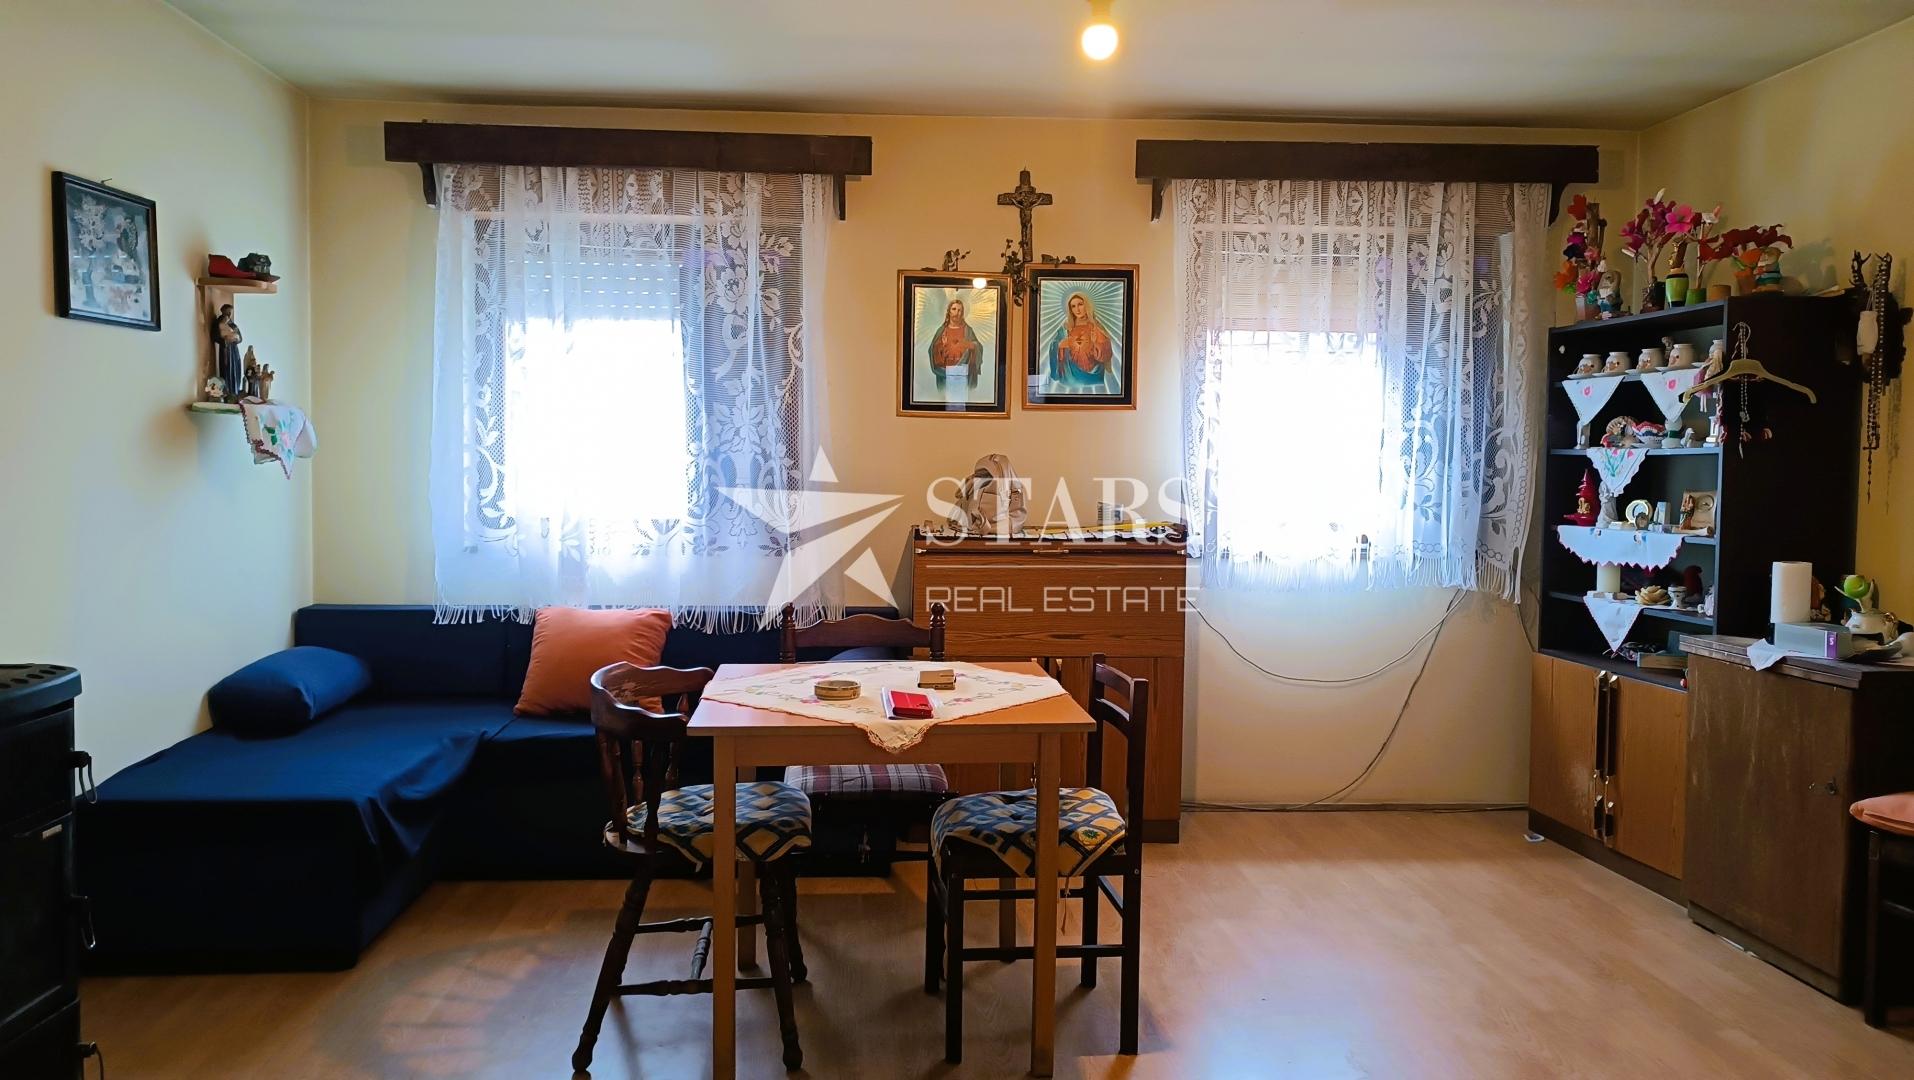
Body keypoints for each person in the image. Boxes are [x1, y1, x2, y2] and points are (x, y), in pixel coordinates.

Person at [1047, 291, 1114, 390]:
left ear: (1086, 305)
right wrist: (1060, 345)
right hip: (1070, 376)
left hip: (1093, 375)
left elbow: (1106, 353)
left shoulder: (1095, 326)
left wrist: (1095, 343)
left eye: (1080, 304)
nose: (1077, 309)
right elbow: (1054, 345)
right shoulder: (1066, 327)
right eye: (1073, 306)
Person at [927, 296, 983, 389]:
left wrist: (971, 345)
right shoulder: (942, 331)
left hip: (963, 374)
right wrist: (942, 345)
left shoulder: (968, 330)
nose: (957, 312)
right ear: (949, 311)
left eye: (960, 310)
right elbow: (932, 350)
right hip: (945, 374)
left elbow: (977, 347)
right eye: (954, 309)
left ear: (963, 313)